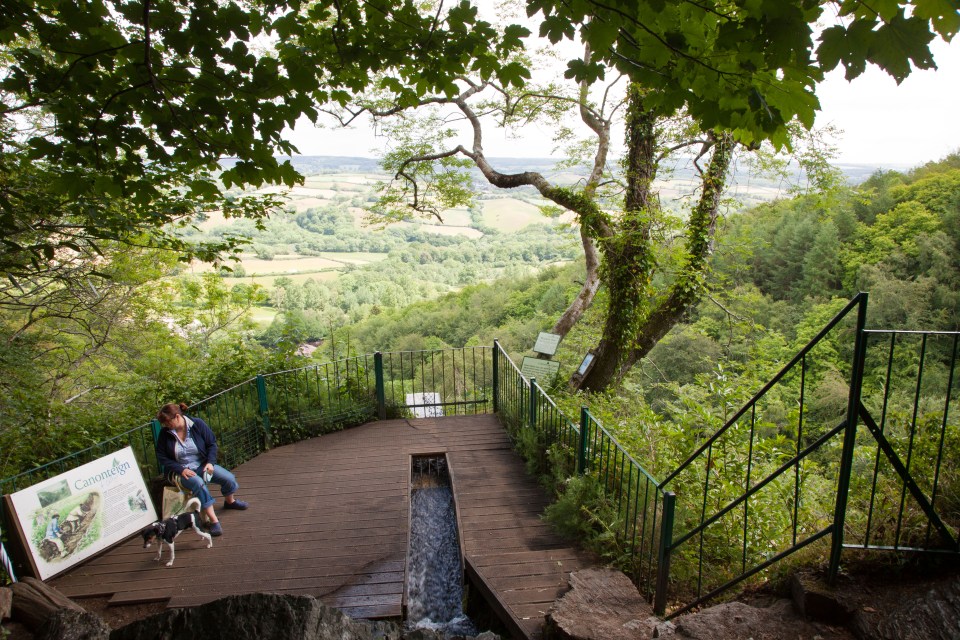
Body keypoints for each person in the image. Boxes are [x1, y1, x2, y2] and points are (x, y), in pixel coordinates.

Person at [155, 402, 248, 536]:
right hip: (181, 471)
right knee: (198, 484)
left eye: (168, 422)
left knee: (228, 478)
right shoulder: (165, 434)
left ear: (177, 416)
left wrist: (210, 463)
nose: (166, 426)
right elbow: (162, 457)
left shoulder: (197, 424)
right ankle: (214, 521)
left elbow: (211, 443)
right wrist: (180, 470)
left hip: (202, 465)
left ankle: (230, 502)